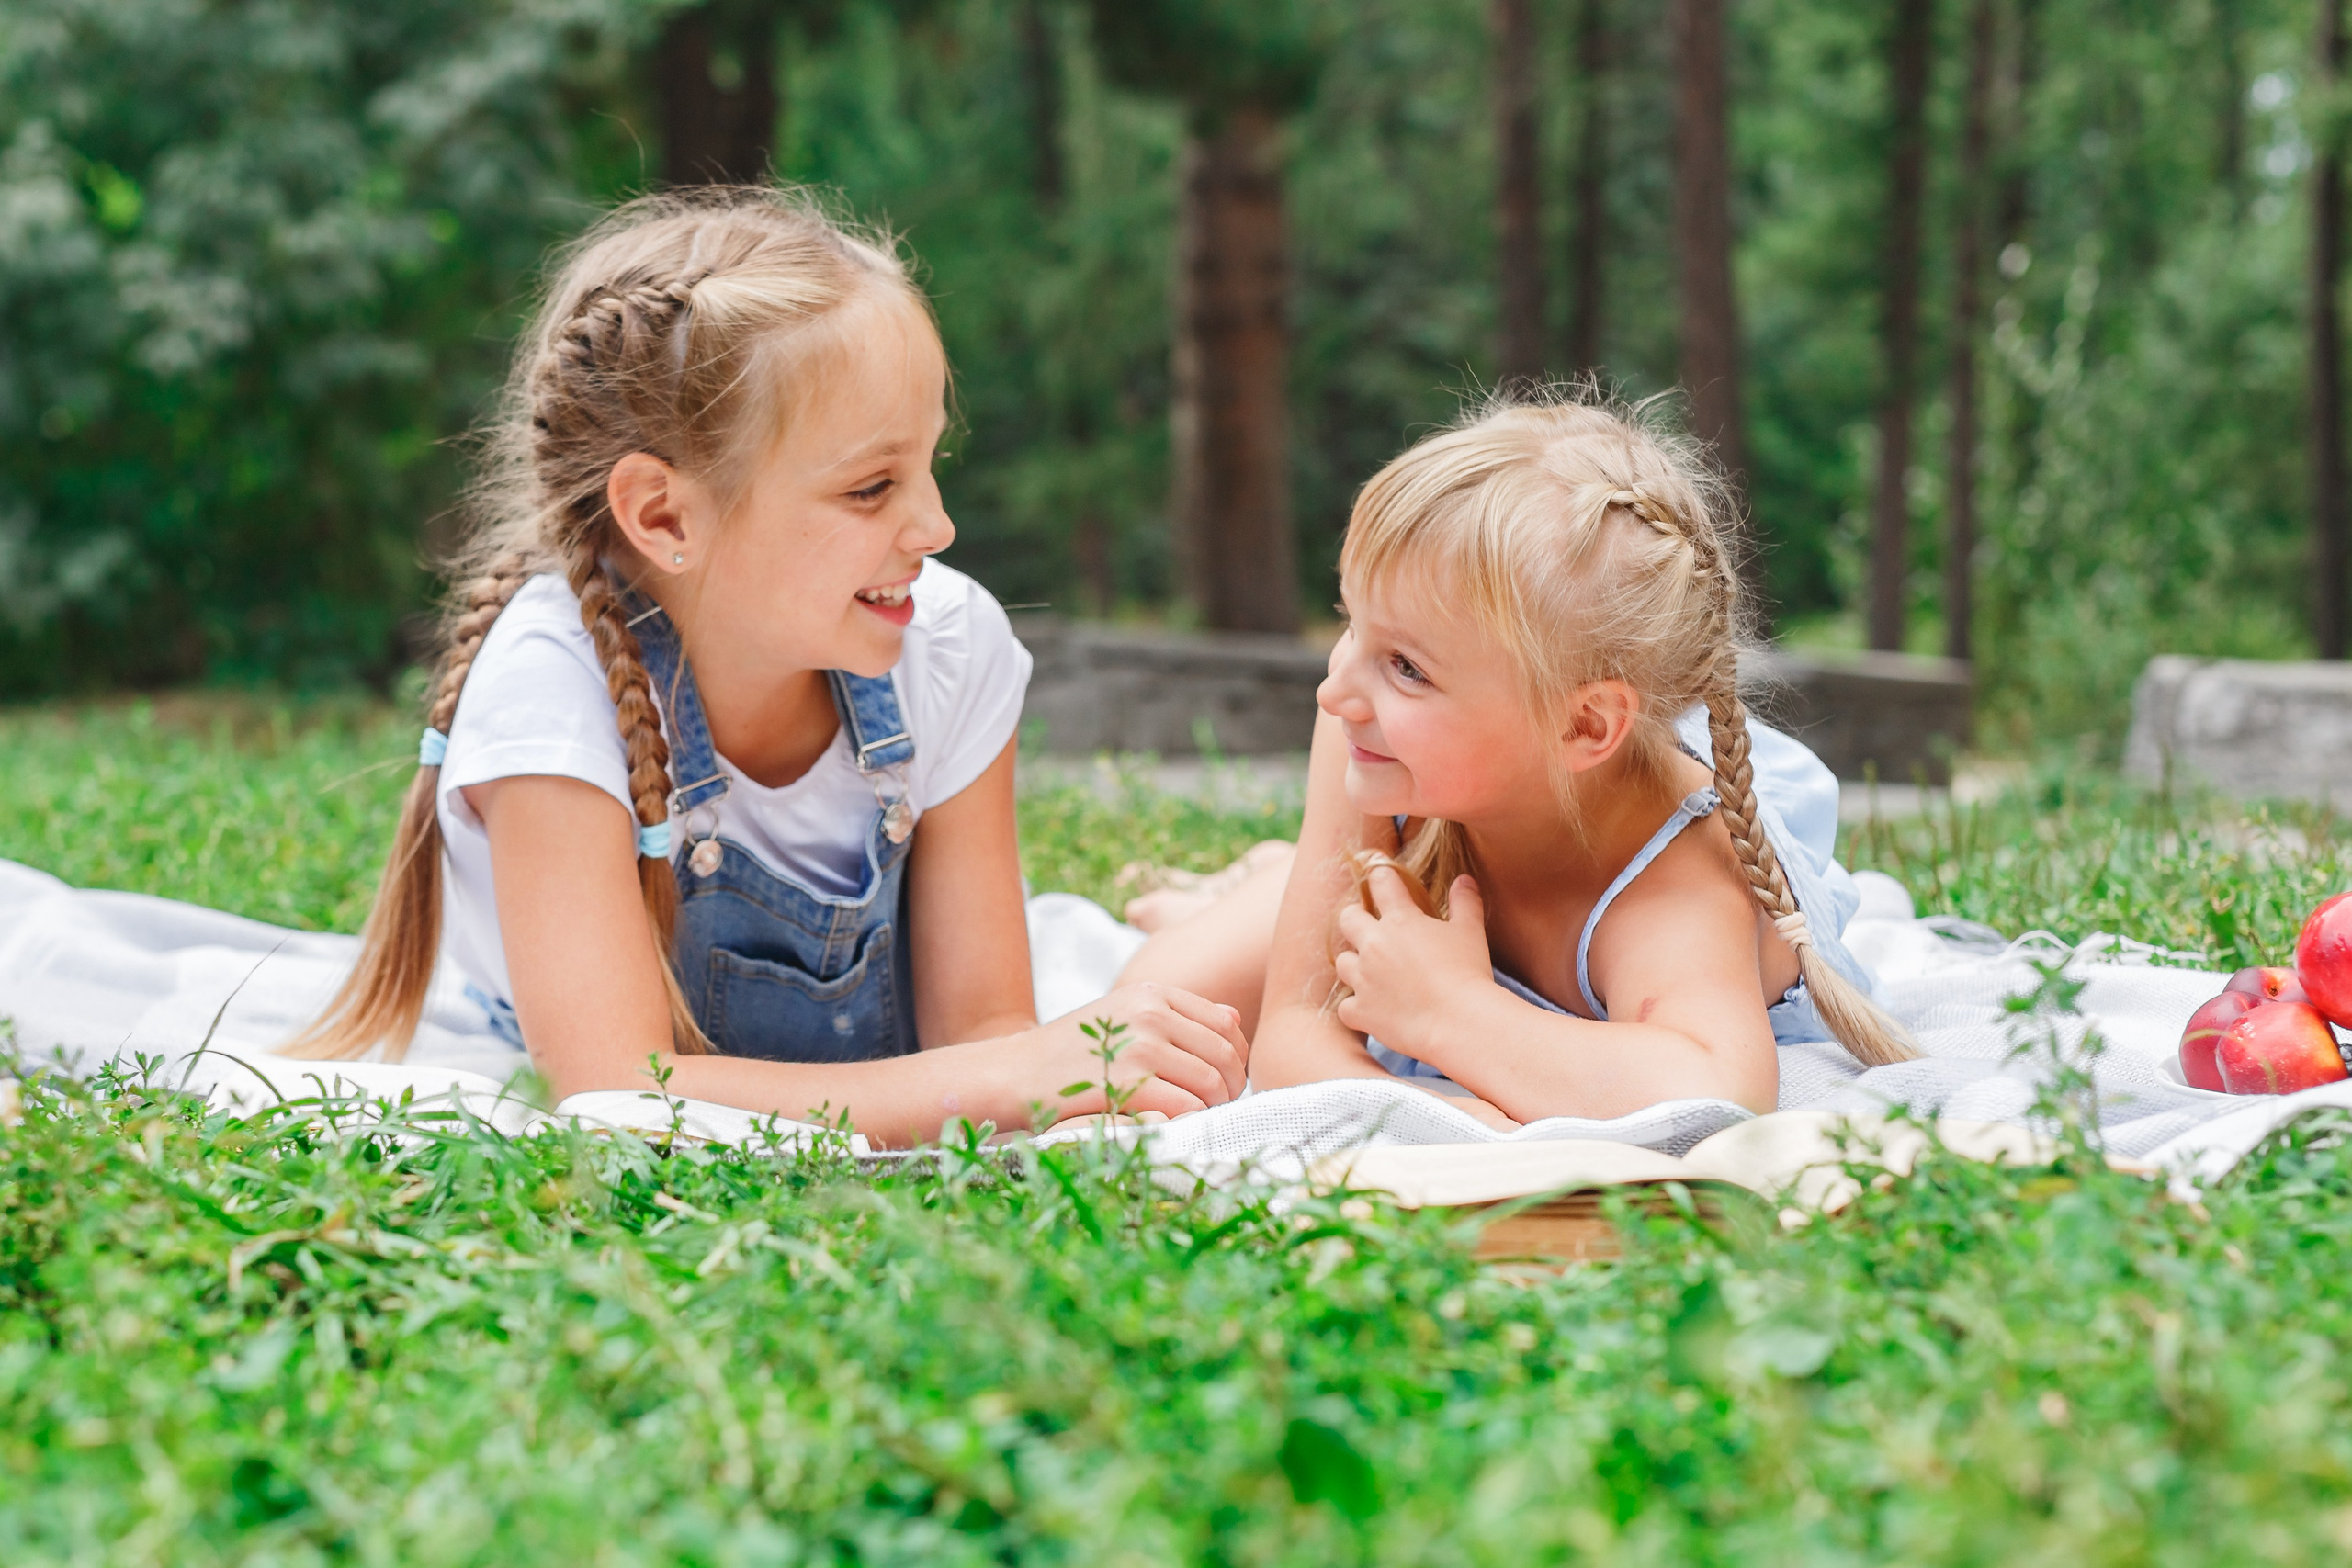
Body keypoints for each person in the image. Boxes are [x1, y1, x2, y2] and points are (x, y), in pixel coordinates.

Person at [288, 189, 1246, 1145]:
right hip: (716, 1076)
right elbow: (616, 1091)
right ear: (664, 517)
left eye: (927, 465)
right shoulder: (550, 690)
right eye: (871, 487)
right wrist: (1014, 1072)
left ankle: (1241, 889)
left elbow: (985, 1033)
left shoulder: (945, 642)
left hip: (900, 1063)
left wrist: (1028, 1068)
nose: (937, 527)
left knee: (1286, 937)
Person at [1118, 393, 1915, 1128]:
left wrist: (1453, 1015)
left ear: (1582, 726)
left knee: (1242, 965)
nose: (1335, 691)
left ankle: (1281, 879)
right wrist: (1482, 1101)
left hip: (1563, 887)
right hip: (1470, 869)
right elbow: (1291, 1047)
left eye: (1406, 667)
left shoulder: (1673, 882)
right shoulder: (1375, 731)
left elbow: (1721, 1089)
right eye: (1348, 621)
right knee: (1155, 1001)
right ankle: (1278, 876)